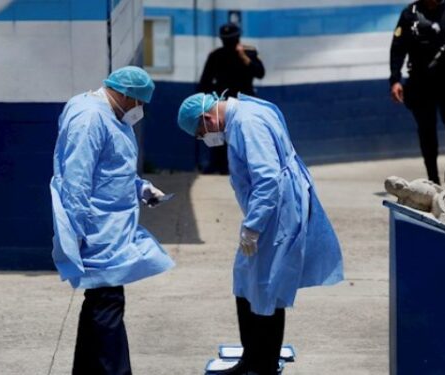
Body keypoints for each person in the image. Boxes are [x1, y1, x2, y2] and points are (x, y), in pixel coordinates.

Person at [177, 92, 344, 375]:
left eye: (200, 133)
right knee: (247, 279)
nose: (205, 138)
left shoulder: (246, 123)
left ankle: (262, 364)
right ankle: (253, 358)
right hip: (273, 208)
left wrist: (253, 226)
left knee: (267, 286)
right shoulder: (247, 110)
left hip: (274, 212)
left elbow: (267, 179)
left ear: (207, 119)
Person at [50, 66, 175, 375]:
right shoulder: (90, 118)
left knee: (100, 302)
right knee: (107, 304)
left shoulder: (113, 116)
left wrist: (142, 188)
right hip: (96, 228)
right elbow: (77, 178)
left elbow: (113, 168)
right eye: (138, 103)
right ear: (124, 94)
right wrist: (76, 231)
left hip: (111, 227)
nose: (139, 110)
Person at [389, 0, 445, 197]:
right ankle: (433, 178)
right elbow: (398, 47)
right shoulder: (410, 14)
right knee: (427, 130)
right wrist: (395, 79)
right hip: (420, 81)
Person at [197, 22, 265, 175]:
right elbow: (204, 82)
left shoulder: (248, 53)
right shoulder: (216, 56)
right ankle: (220, 164)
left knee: (246, 134)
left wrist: (243, 57)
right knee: (219, 132)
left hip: (244, 101)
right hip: (223, 103)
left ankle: (245, 165)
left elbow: (260, 72)